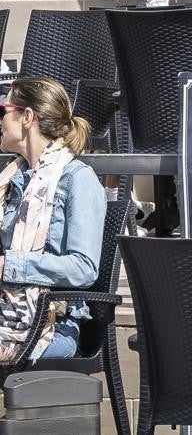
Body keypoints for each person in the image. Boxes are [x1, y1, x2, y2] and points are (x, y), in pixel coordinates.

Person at [0, 77, 106, 361]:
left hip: (53, 324)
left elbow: (83, 269)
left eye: (3, 111)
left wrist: (8, 265)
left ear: (27, 117)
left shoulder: (78, 180)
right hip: (7, 313)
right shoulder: (13, 180)